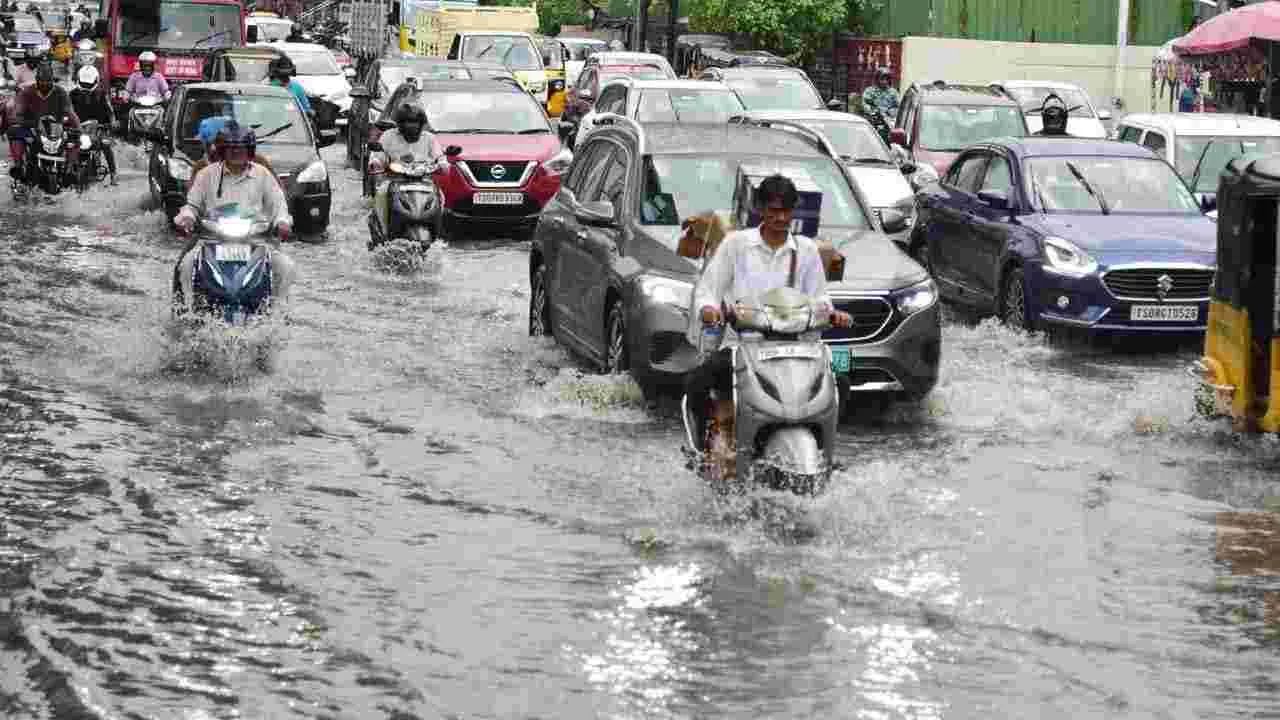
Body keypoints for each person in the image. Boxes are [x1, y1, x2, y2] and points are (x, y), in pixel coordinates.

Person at [684, 174, 852, 442]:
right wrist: (709, 309)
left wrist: (832, 315)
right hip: (744, 345)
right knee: (697, 383)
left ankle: (824, 452)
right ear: (760, 210)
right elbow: (709, 289)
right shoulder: (736, 245)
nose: (781, 218)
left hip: (797, 347)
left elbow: (820, 299)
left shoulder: (806, 250)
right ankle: (709, 450)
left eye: (786, 210)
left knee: (840, 382)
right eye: (774, 210)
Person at [172, 121, 295, 309]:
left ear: (250, 150)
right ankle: (188, 311)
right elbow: (191, 205)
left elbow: (279, 205)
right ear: (222, 150)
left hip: (257, 241)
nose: (236, 152)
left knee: (286, 267)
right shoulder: (206, 174)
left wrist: (282, 223)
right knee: (187, 266)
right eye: (230, 148)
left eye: (241, 148)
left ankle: (278, 312)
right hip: (212, 240)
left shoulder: (263, 174)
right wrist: (187, 218)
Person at [9, 61, 80, 182]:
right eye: (42, 82)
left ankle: (69, 169)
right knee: (14, 132)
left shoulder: (61, 92)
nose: (45, 85)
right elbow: (16, 114)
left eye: (48, 82)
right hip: (32, 127)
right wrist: (28, 122)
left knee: (74, 137)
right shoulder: (26, 92)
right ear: (36, 80)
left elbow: (70, 112)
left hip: (56, 129)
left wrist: (78, 128)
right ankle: (19, 165)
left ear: (53, 80)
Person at [368, 102, 435, 227]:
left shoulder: (429, 138)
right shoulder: (388, 136)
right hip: (393, 180)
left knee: (439, 194)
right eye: (408, 122)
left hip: (424, 181)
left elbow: (439, 157)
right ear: (400, 123)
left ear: (421, 124)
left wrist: (443, 163)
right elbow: (378, 156)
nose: (412, 126)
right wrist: (376, 163)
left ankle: (436, 226)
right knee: (381, 192)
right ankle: (383, 227)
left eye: (415, 122)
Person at [69, 65, 116, 184]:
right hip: (76, 129)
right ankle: (65, 170)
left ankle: (113, 174)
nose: (86, 87)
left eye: (88, 84)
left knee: (106, 145)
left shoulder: (102, 95)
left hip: (97, 129)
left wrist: (111, 123)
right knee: (65, 145)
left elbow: (110, 112)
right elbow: (64, 111)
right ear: (78, 80)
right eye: (84, 84)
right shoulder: (71, 95)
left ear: (96, 81)